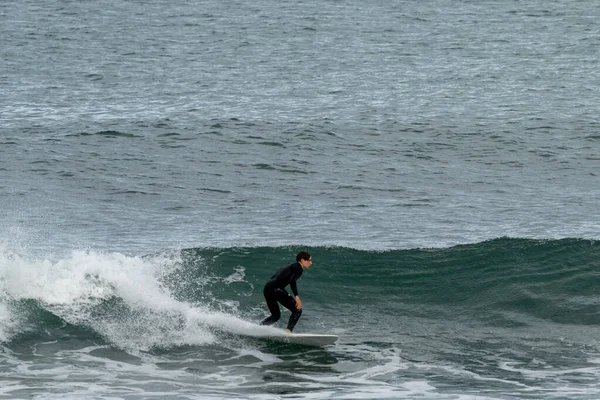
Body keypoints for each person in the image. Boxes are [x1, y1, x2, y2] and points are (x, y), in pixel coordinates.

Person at [260, 251, 312, 333]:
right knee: (297, 310)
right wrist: (297, 296)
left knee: (276, 316)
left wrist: (270, 298)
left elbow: (275, 277)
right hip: (276, 289)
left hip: (268, 288)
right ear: (302, 260)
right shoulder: (298, 268)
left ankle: (259, 328)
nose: (310, 263)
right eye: (309, 260)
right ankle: (289, 331)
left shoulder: (289, 266)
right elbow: (292, 281)